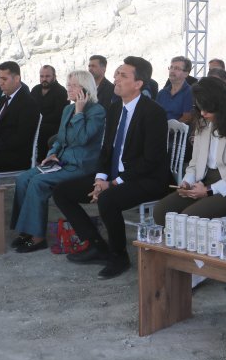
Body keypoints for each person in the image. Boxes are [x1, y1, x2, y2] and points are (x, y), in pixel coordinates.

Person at [52, 57, 169, 280]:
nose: (115, 78)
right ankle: (96, 245)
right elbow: (106, 150)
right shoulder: (115, 108)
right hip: (115, 176)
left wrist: (113, 183)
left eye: (123, 75)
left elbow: (151, 160)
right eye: (116, 74)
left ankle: (119, 256)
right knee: (62, 192)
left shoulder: (154, 112)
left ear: (138, 84)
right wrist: (100, 178)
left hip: (148, 178)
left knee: (108, 199)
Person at [9, 70, 106, 253]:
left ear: (85, 89)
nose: (68, 88)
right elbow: (60, 139)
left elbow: (82, 138)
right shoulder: (68, 109)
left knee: (38, 182)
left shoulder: (97, 111)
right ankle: (25, 231)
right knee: (23, 179)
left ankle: (37, 237)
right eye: (68, 84)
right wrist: (52, 153)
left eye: (73, 85)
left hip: (80, 165)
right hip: (61, 161)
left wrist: (79, 112)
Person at [153, 77, 226, 224]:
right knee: (161, 211)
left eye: (207, 108)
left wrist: (209, 190)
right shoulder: (203, 125)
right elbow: (194, 163)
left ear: (221, 104)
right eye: (199, 107)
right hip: (203, 182)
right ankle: (173, 246)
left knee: (189, 218)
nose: (203, 113)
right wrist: (187, 182)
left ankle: (187, 246)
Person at [31, 65, 69, 162]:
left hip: (52, 128)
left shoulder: (61, 92)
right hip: (35, 125)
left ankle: (42, 162)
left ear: (54, 77)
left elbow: (58, 115)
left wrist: (38, 121)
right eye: (42, 76)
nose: (44, 79)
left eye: (47, 76)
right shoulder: (35, 90)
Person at [156, 56, 194, 123]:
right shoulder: (162, 93)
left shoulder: (189, 92)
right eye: (171, 67)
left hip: (178, 132)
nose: (172, 71)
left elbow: (187, 118)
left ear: (186, 74)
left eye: (177, 68)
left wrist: (167, 129)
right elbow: (154, 113)